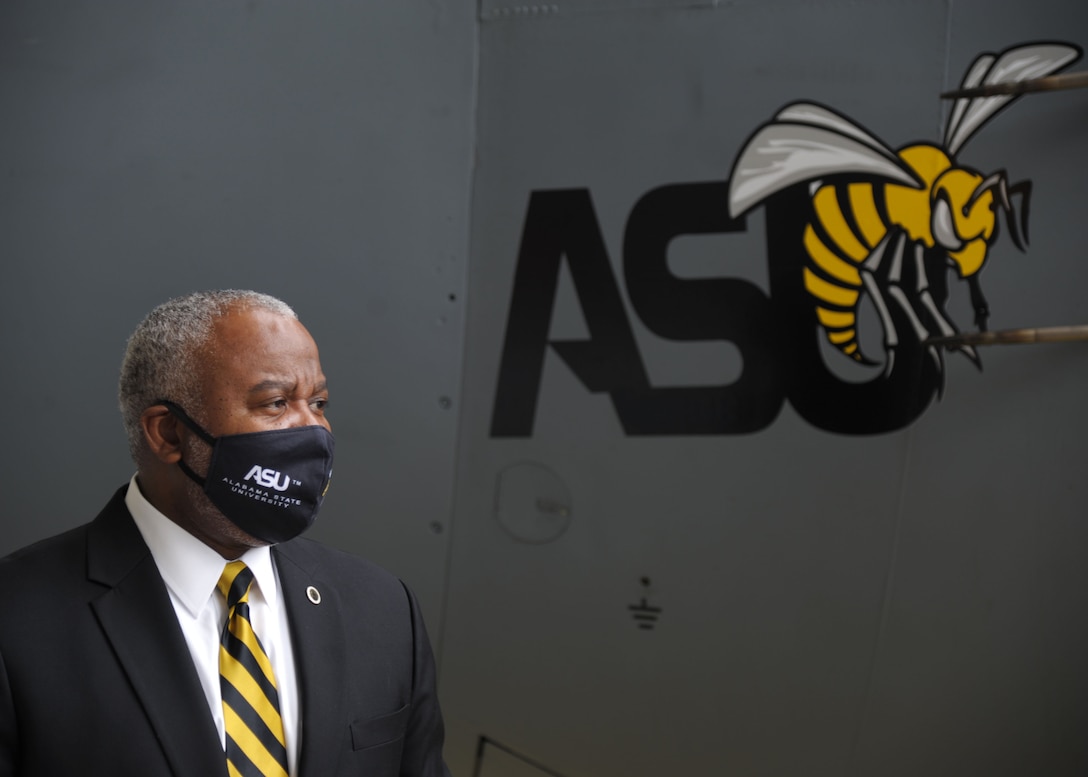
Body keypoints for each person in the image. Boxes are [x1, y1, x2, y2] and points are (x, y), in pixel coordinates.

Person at [0, 290, 451, 777]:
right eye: (276, 403)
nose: (313, 430)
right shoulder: (17, 620)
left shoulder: (383, 609)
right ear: (169, 434)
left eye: (317, 402)